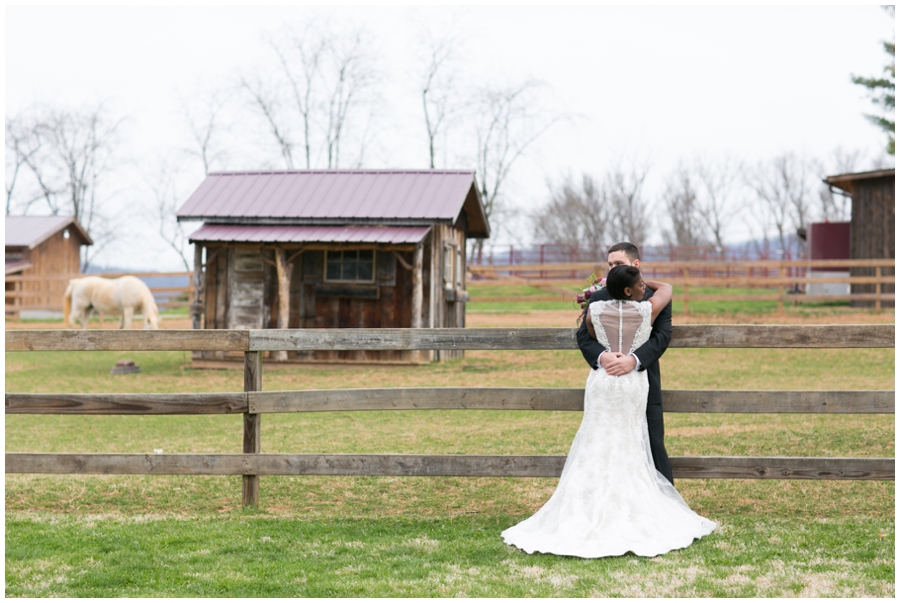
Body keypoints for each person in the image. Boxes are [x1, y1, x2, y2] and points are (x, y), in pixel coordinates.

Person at [501, 265, 715, 558]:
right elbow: (667, 287)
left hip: (603, 380)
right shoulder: (646, 311)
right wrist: (643, 280)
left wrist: (615, 288)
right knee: (629, 441)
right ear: (629, 290)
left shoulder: (596, 308)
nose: (643, 288)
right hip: (630, 382)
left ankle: (584, 506)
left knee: (596, 440)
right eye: (638, 285)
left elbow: (589, 331)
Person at [577, 242, 674, 484]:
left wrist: (634, 359)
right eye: (609, 265)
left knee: (652, 439)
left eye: (617, 264)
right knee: (604, 439)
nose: (611, 269)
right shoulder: (599, 297)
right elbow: (583, 335)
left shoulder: (650, 298)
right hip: (607, 375)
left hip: (644, 376)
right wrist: (602, 355)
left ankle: (663, 498)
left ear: (635, 264)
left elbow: (662, 336)